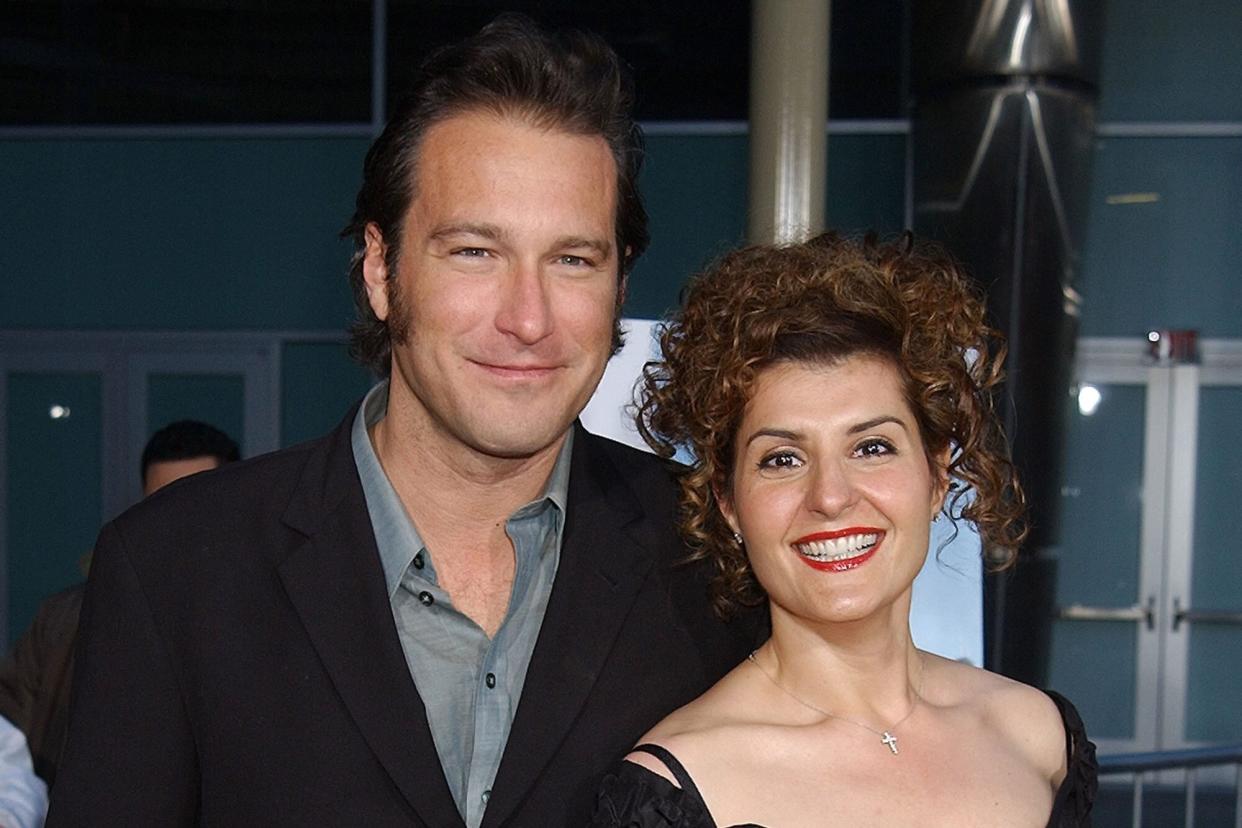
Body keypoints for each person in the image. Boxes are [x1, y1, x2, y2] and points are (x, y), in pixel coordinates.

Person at [47, 15, 758, 828]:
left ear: (620, 286)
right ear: (381, 271)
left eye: (572, 259)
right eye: (474, 253)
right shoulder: (173, 571)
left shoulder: (711, 562)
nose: (528, 319)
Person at [593, 233, 1097, 827]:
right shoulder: (677, 789)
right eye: (782, 459)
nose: (830, 497)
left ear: (937, 476)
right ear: (727, 502)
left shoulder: (1038, 736)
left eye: (872, 446)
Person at [0, 420, 240, 794]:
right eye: (161, 504)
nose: (177, 525)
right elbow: (9, 750)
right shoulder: (65, 623)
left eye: (198, 506)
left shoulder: (265, 622)